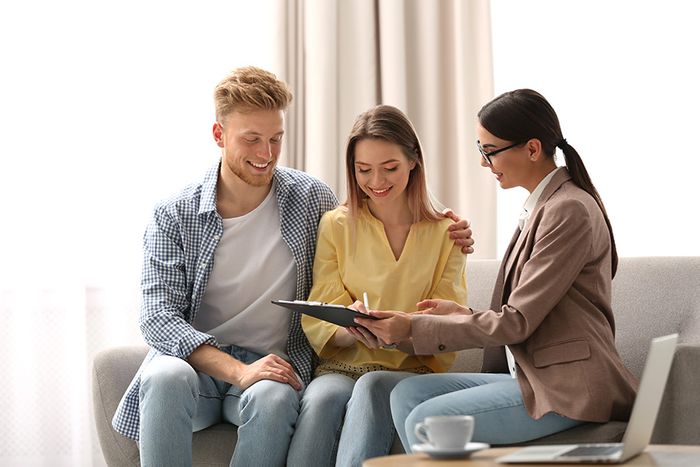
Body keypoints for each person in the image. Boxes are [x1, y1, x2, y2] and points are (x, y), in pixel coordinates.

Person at [111, 66, 475, 467]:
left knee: (274, 395)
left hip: (272, 366)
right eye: (251, 140)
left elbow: (378, 203)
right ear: (219, 135)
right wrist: (237, 371)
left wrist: (449, 223)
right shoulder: (174, 214)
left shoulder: (309, 198)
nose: (266, 154)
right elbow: (158, 318)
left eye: (275, 139)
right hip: (194, 366)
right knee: (164, 377)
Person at [357, 89, 638, 449]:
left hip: (566, 385)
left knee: (427, 420)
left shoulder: (568, 210)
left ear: (532, 149)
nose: (483, 163)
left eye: (489, 152)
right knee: (404, 395)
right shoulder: (544, 206)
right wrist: (463, 315)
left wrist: (412, 325)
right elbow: (527, 315)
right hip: (531, 374)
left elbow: (517, 322)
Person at [290, 104, 467, 467]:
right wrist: (352, 328)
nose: (377, 182)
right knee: (322, 400)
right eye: (363, 170)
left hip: (412, 369)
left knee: (373, 389)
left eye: (390, 168)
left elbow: (450, 322)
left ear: (413, 161)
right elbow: (322, 308)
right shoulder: (336, 225)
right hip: (342, 366)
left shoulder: (446, 233)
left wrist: (398, 331)